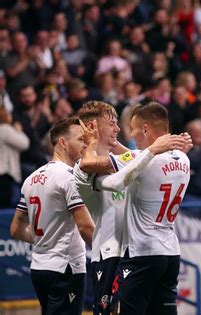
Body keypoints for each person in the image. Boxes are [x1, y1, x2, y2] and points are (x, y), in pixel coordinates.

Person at [79, 102, 191, 314]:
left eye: (134, 129)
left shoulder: (143, 159)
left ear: (146, 129)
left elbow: (89, 164)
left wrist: (92, 144)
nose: (129, 133)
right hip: (170, 252)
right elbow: (133, 156)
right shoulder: (183, 158)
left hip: (141, 252)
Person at [10, 117, 95, 315]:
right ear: (63, 143)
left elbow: (15, 229)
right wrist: (107, 256)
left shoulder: (31, 179)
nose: (85, 144)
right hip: (66, 267)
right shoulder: (70, 177)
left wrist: (45, 239)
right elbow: (85, 227)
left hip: (40, 267)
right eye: (81, 139)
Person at [74, 101, 124, 315]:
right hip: (108, 254)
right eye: (112, 124)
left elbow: (136, 157)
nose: (118, 129)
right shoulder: (83, 167)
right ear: (93, 127)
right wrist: (92, 141)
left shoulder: (116, 160)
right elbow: (90, 162)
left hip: (130, 252)